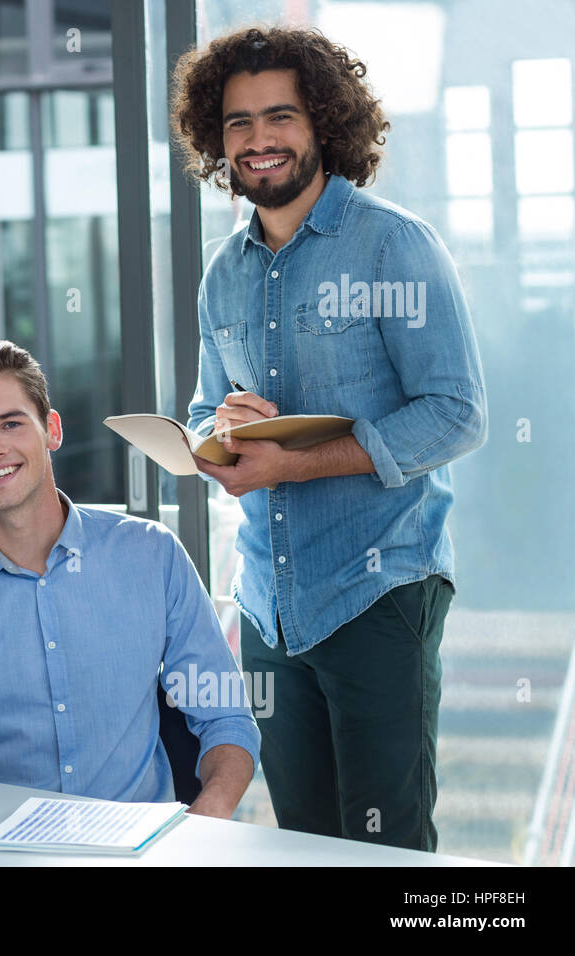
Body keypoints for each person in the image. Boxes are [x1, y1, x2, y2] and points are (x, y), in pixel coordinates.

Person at [171, 26, 488, 849]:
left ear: (324, 125)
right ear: (217, 137)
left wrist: (296, 463)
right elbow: (207, 410)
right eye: (238, 122)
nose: (259, 139)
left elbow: (456, 411)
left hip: (379, 591)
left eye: (280, 116)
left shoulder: (393, 244)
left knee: (387, 848)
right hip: (271, 610)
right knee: (303, 843)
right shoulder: (224, 271)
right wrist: (221, 439)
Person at [0, 339, 259, 816]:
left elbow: (226, 720)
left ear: (52, 430)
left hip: (146, 850)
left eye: (10, 423)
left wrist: (201, 828)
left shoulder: (151, 554)